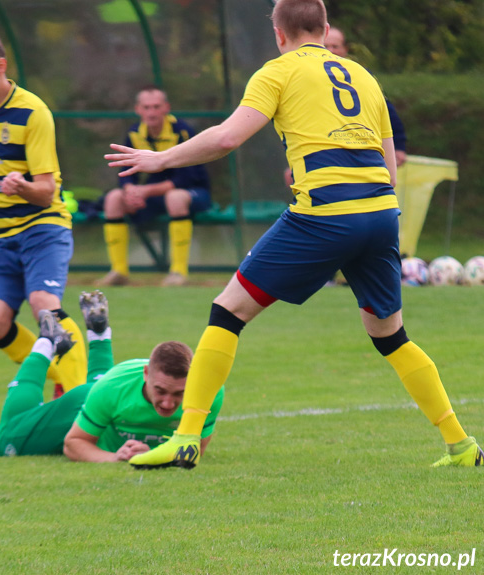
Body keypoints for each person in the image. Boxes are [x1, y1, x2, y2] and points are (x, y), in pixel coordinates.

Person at [107, 0, 483, 469]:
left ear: (278, 34)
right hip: (382, 213)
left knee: (227, 312)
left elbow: (226, 139)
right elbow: (388, 165)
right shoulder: (363, 76)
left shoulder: (277, 71)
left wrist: (160, 159)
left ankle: (185, 439)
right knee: (391, 336)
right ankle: (462, 445)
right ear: (325, 29)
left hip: (324, 214)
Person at [0, 29, 86, 396]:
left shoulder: (33, 112)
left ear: (0, 66)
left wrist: (21, 186)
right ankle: (59, 376)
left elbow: (46, 192)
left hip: (41, 225)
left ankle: (79, 398)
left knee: (44, 305)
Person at [0, 291, 224, 461]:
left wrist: (150, 455)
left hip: (107, 394)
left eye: (179, 394)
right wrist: (116, 457)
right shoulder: (112, 387)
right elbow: (74, 444)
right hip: (85, 403)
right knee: (6, 441)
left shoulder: (209, 391)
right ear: (146, 375)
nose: (167, 403)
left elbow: (195, 451)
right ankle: (45, 343)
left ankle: (99, 334)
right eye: (160, 391)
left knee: (106, 389)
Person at [97, 86, 212, 288]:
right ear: (138, 109)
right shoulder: (134, 133)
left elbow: (184, 179)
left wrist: (145, 191)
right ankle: (118, 271)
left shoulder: (183, 131)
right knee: (114, 198)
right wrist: (130, 191)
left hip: (194, 193)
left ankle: (178, 272)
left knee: (175, 197)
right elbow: (125, 172)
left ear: (166, 108)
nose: (151, 112)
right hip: (157, 196)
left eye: (156, 107)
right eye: (146, 107)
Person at [323, 27, 407, 166]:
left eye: (335, 46)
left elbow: (385, 109)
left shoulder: (362, 76)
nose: (330, 50)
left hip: (360, 153)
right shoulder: (309, 77)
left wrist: (399, 146)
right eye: (325, 46)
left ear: (345, 49)